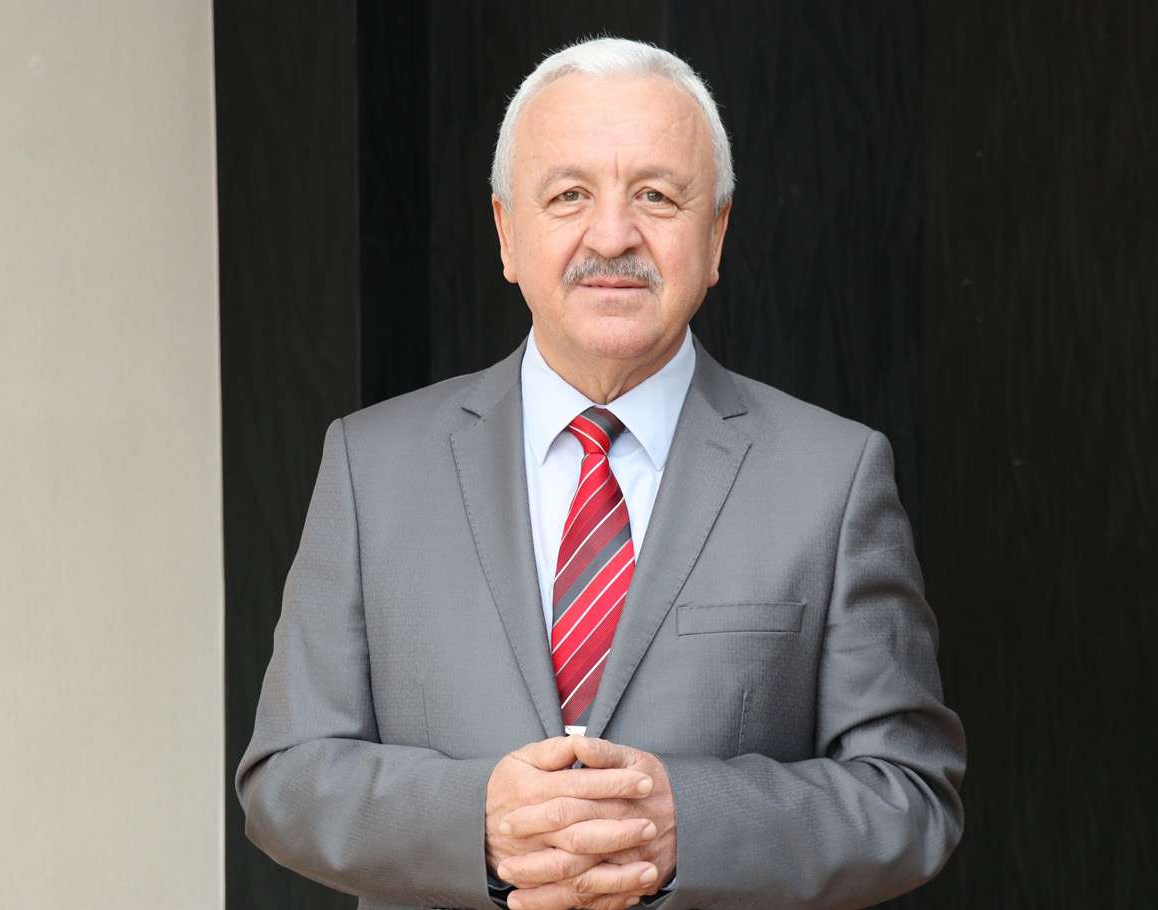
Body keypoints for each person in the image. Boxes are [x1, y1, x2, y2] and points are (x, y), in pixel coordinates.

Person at [235, 36, 966, 910]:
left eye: (656, 195)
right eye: (569, 195)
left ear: (716, 235)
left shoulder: (833, 477)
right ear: (507, 232)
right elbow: (286, 777)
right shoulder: (371, 467)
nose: (613, 236)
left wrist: (688, 822)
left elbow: (910, 796)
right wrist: (477, 821)